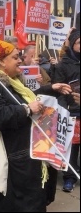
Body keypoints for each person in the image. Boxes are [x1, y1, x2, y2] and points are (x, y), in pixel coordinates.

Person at [0, 39, 71, 212]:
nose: (20, 60)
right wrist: (26, 110)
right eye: (15, 57)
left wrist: (50, 88)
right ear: (1, 61)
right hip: (9, 166)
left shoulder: (11, 82)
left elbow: (20, 100)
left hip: (21, 163)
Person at [53, 28, 80, 192]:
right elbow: (58, 89)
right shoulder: (64, 64)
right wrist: (65, 108)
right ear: (72, 45)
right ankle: (69, 177)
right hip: (72, 112)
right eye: (78, 42)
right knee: (71, 148)